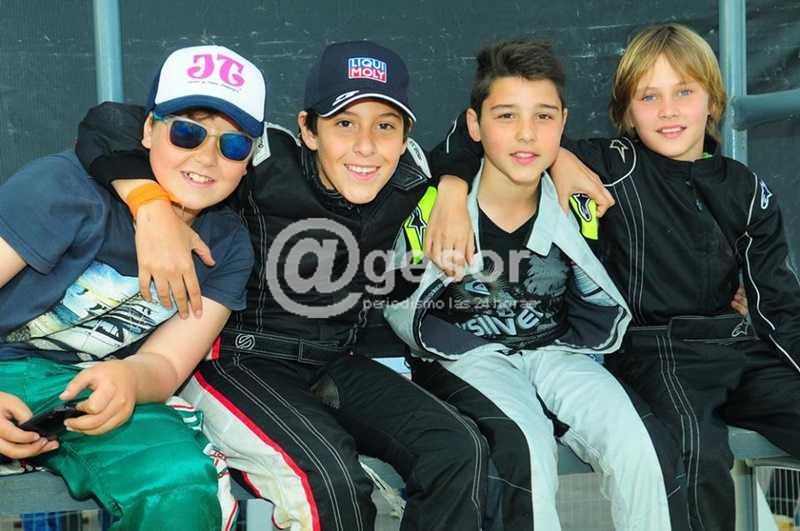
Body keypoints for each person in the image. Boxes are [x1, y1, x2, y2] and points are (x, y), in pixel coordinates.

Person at [73, 40, 505, 531]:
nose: (366, 146)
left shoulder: (409, 177)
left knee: (458, 448)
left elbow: (483, 137)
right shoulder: (262, 158)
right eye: (345, 124)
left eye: (385, 126)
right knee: (329, 483)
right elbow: (107, 124)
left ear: (406, 136)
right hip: (233, 361)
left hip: (332, 361)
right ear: (308, 129)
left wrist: (451, 190)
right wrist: (149, 204)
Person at [431, 23, 800, 531]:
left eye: (684, 92)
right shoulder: (611, 165)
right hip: (656, 352)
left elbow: (778, 302)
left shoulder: (745, 188)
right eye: (649, 96)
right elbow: (481, 133)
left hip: (739, 345)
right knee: (692, 453)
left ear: (712, 101)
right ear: (627, 110)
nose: (668, 110)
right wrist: (457, 188)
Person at [383, 38, 679, 531]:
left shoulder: (578, 200)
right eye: (505, 116)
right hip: (466, 357)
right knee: (525, 447)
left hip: (556, 351)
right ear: (474, 125)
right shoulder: (432, 202)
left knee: (643, 445)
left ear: (563, 124)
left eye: (543, 116)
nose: (526, 133)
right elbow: (395, 294)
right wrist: (449, 190)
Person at [0, 44, 261, 530]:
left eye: (233, 145)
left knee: (180, 481)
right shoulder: (63, 187)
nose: (207, 158)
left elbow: (166, 363)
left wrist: (130, 378)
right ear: (147, 130)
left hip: (95, 389)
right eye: (187, 132)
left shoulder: (227, 247)